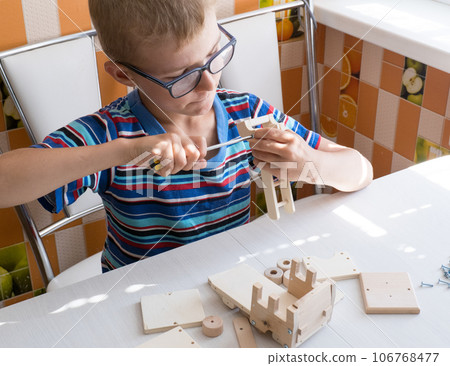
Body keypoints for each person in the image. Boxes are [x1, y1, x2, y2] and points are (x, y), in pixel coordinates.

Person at [0, 0, 373, 272]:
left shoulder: (250, 113)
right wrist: (118, 152)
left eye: (215, 55)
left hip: (232, 275)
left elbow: (360, 170)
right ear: (124, 75)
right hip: (138, 296)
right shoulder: (111, 134)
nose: (210, 83)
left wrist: (311, 162)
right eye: (182, 76)